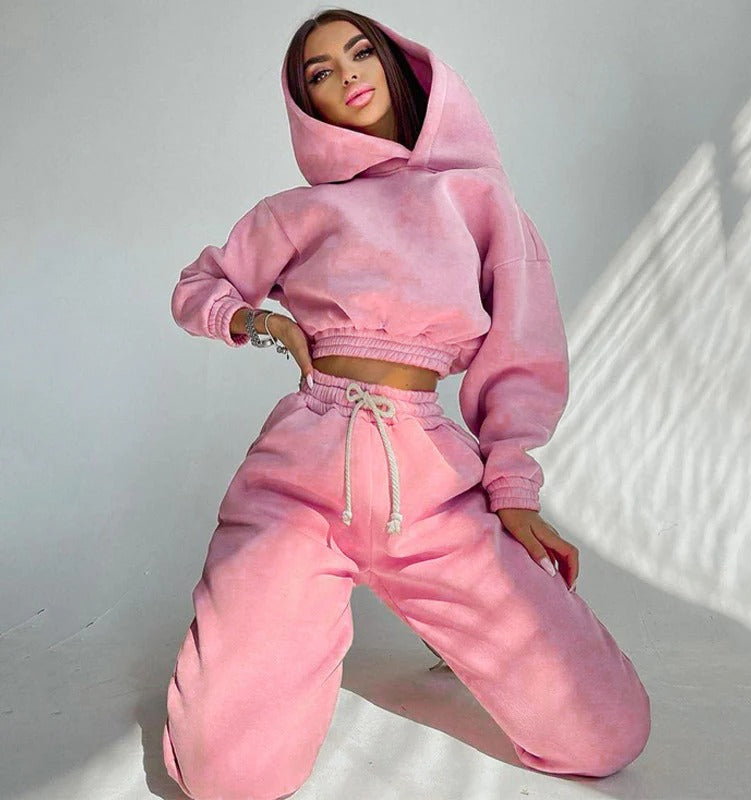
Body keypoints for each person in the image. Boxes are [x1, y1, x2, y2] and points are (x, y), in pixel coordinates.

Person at [162, 9, 651, 799]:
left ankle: (451, 624)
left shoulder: (477, 199)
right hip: (297, 483)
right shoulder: (294, 211)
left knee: (608, 733)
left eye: (361, 53)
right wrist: (259, 322)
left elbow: (522, 350)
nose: (348, 74)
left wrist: (513, 491)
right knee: (227, 780)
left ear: (399, 68)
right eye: (321, 72)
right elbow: (199, 286)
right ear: (307, 104)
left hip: (433, 490)